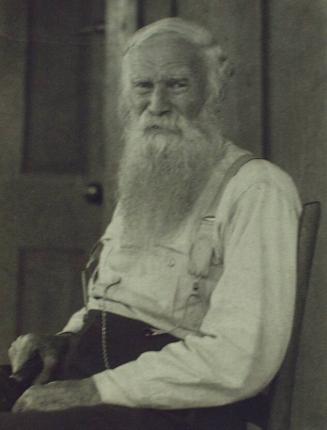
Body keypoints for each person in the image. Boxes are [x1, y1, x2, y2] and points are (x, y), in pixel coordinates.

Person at [0, 17, 301, 429]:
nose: (157, 104)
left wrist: (95, 390)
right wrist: (65, 339)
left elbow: (240, 357)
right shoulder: (152, 176)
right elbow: (116, 296)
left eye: (176, 85)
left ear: (212, 91)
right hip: (93, 375)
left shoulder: (257, 188)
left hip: (172, 405)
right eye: (143, 86)